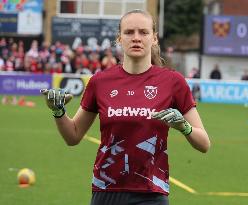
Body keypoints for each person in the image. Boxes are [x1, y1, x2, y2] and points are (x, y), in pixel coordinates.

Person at [41, 9, 210, 205]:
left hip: (151, 193)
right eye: (129, 32)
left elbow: (204, 143)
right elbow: (73, 136)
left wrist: (184, 127)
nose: (136, 38)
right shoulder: (100, 81)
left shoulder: (173, 82)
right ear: (119, 38)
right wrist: (58, 111)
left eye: (143, 32)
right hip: (106, 191)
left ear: (154, 38)